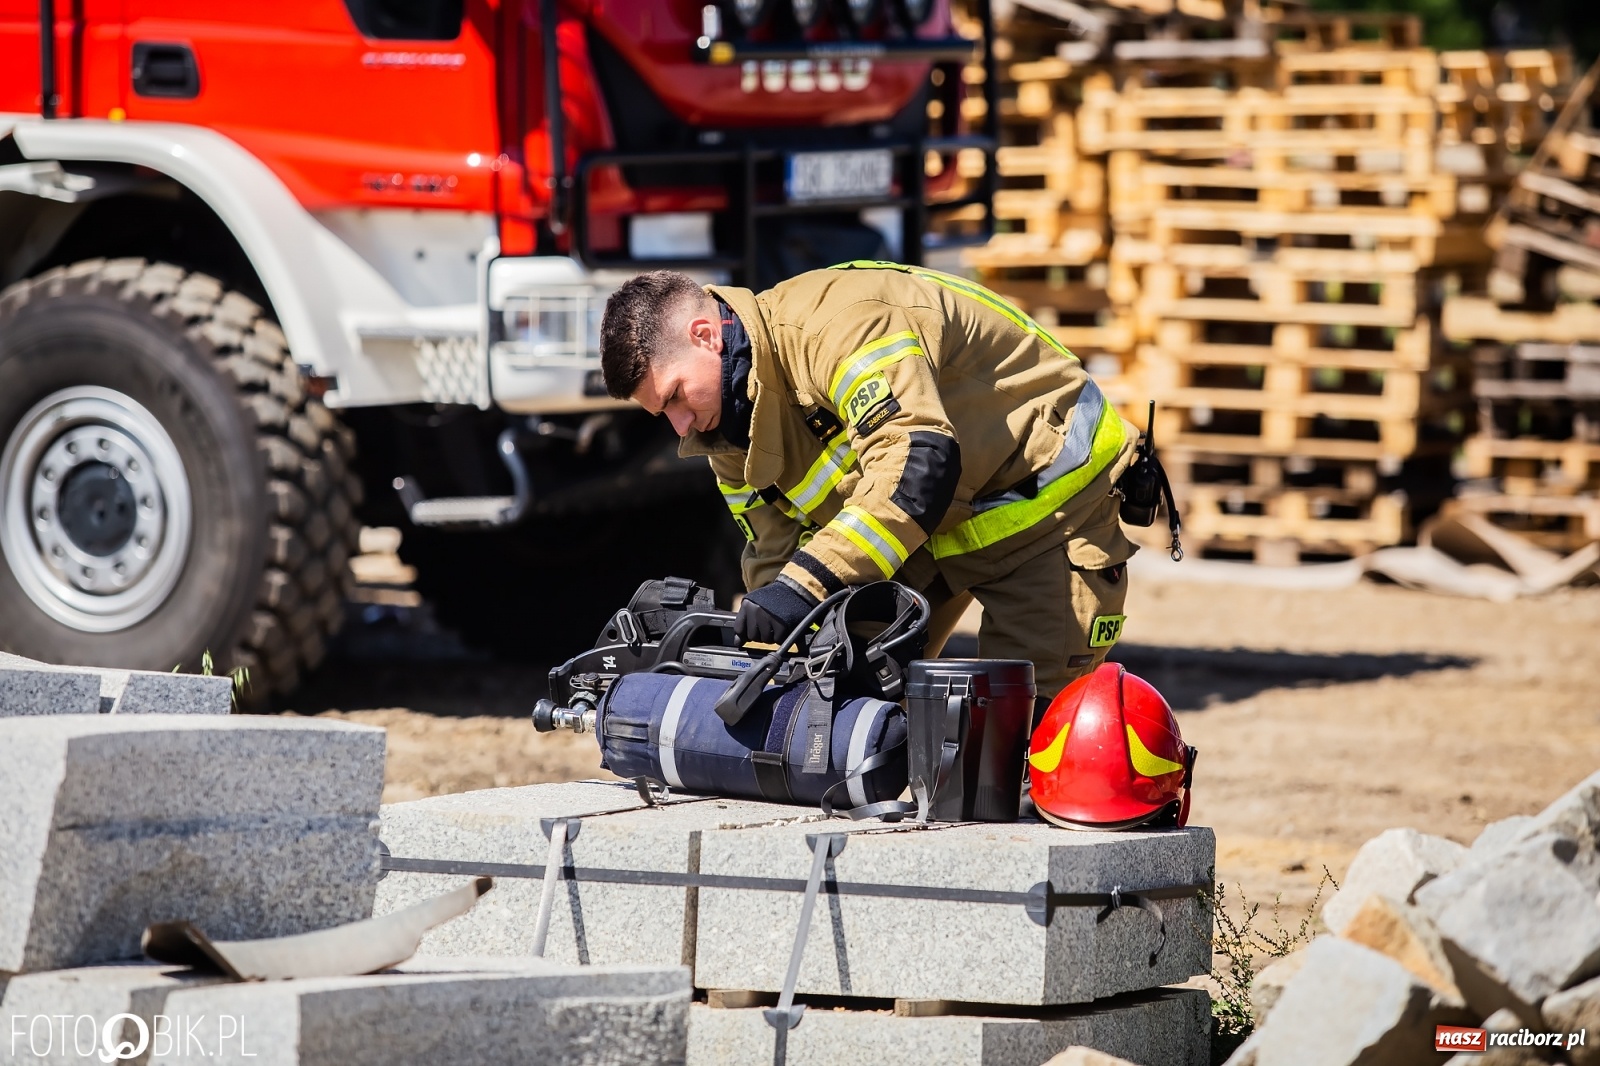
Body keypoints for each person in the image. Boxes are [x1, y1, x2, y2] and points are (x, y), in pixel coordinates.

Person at [598, 261, 1140, 702]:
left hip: (1047, 504)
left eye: (675, 396)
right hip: (930, 526)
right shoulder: (725, 428)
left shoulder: (838, 324)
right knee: (839, 693)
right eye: (664, 414)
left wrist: (803, 587)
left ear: (706, 336)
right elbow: (773, 550)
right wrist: (772, 652)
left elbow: (918, 463)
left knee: (1021, 731)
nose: (681, 427)